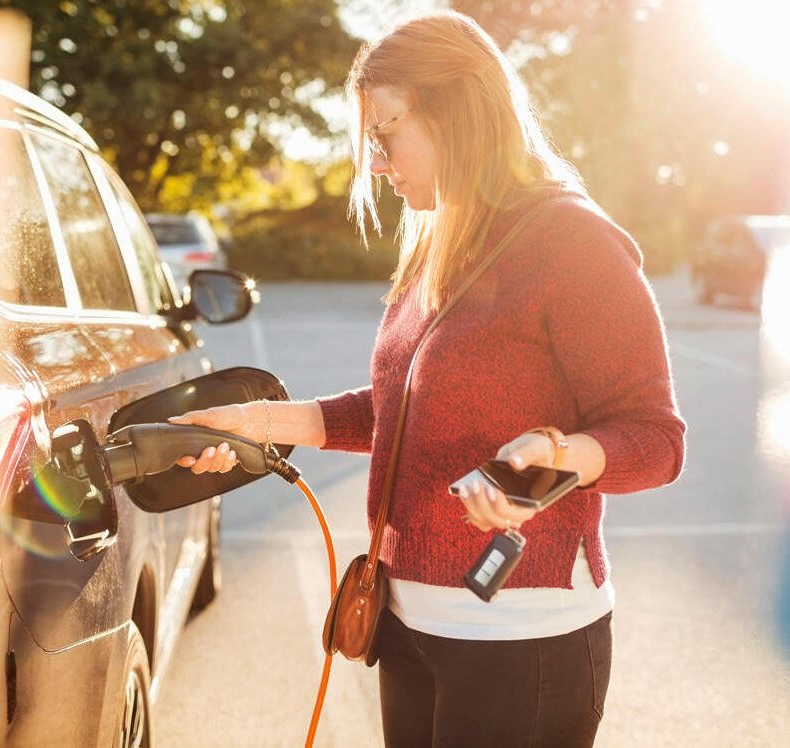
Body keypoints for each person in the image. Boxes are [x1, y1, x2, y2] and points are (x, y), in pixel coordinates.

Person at [170, 11, 685, 746]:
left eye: (385, 135)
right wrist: (256, 423)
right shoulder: (441, 242)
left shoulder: (574, 241)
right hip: (408, 622)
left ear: (461, 115)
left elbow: (656, 440)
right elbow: (402, 411)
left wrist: (552, 454)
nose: (375, 164)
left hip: (523, 638)